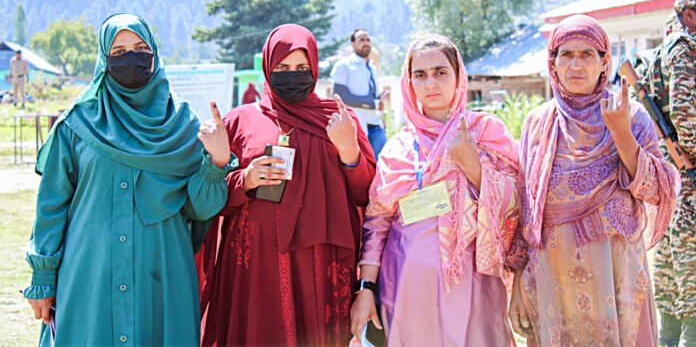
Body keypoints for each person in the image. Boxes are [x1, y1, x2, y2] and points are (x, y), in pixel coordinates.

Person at [23, 13, 236, 346]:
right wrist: (43, 278)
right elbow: (51, 206)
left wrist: (218, 161)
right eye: (119, 52)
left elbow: (200, 209)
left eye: (139, 48)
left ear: (154, 53)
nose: (131, 58)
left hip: (162, 273)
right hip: (90, 273)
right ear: (104, 59)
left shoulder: (182, 125)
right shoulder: (77, 124)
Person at [198, 24, 376, 346]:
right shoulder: (240, 120)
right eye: (282, 68)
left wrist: (349, 150)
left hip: (319, 265)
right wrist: (245, 179)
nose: (291, 76)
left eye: (300, 68)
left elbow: (365, 194)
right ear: (268, 67)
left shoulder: (338, 118)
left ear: (314, 68)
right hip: (255, 268)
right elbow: (211, 198)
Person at [509, 14, 680, 346]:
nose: (576, 64)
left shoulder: (630, 116)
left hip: (616, 277)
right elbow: (524, 210)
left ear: (605, 62)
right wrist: (517, 283)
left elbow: (660, 189)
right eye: (566, 54)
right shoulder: (538, 124)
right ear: (553, 63)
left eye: (587, 54)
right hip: (553, 278)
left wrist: (621, 134)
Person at [350, 34, 524, 346]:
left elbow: (519, 204)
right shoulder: (397, 149)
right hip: (407, 286)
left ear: (458, 77)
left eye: (440, 72)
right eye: (421, 75)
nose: (431, 83)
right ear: (409, 82)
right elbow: (377, 224)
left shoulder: (486, 134)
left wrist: (473, 167)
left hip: (475, 287)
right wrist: (366, 287)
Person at [653, 0, 696, 346]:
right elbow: (685, 113)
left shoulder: (663, 47)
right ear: (689, 15)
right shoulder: (683, 48)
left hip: (673, 177)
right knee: (691, 277)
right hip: (688, 175)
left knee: (670, 273)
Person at [331, 29, 388, 158]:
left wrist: (380, 98)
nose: (366, 43)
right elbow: (339, 96)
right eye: (361, 40)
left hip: (376, 124)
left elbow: (373, 98)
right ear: (353, 45)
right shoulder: (343, 65)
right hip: (356, 126)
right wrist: (373, 103)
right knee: (362, 166)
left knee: (383, 166)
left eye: (368, 40)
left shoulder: (372, 68)